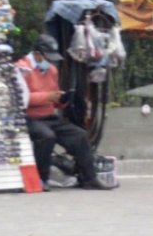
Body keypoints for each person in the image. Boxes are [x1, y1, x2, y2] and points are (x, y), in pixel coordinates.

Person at [15, 34, 111, 191]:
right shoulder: (21, 68)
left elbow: (54, 98)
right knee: (46, 136)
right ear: (37, 54)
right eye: (47, 58)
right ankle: (41, 179)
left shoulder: (52, 70)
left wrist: (63, 99)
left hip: (49, 116)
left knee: (79, 135)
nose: (50, 62)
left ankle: (89, 178)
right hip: (29, 117)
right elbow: (20, 98)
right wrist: (47, 96)